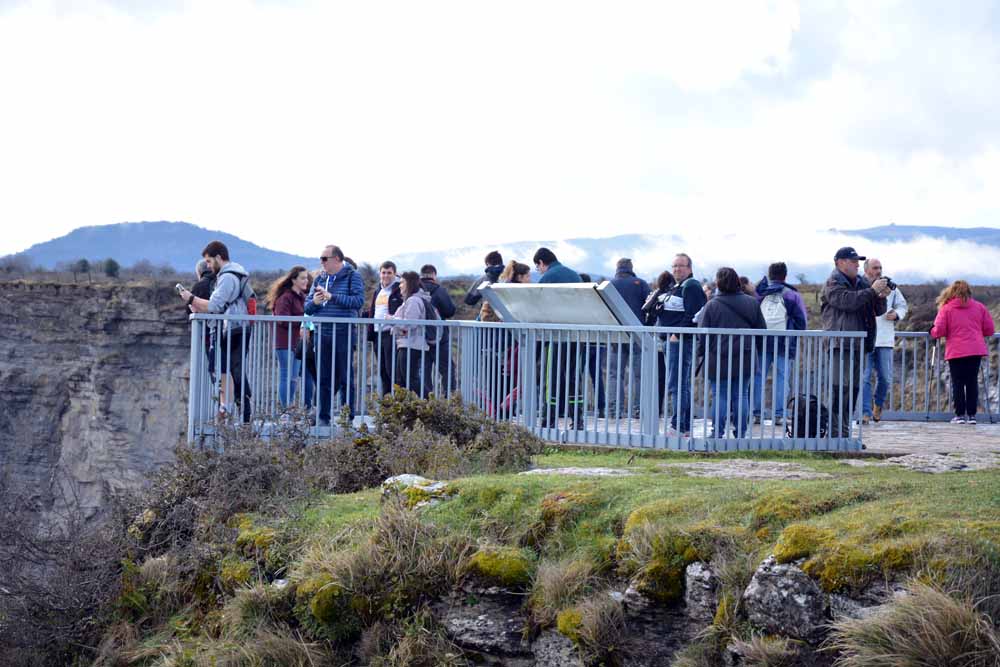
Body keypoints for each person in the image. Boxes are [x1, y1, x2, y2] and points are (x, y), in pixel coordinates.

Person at [178, 241, 255, 422]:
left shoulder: (228, 277)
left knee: (233, 368)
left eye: (210, 261)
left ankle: (244, 413)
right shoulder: (234, 273)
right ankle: (241, 411)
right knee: (233, 368)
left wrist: (191, 298)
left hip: (235, 327)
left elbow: (214, 305)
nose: (209, 266)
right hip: (238, 326)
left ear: (219, 257)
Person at [820, 247, 889, 438]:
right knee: (838, 388)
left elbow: (875, 310)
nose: (857, 265)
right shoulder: (833, 283)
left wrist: (880, 296)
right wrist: (871, 291)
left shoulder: (860, 282)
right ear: (840, 262)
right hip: (839, 344)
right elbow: (847, 301)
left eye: (857, 261)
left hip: (858, 344)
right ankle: (835, 434)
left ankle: (844, 432)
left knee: (852, 390)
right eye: (853, 261)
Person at [701, 267, 767, 438]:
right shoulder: (752, 303)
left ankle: (717, 432)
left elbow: (703, 335)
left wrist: (701, 352)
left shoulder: (712, 305)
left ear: (718, 283)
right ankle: (741, 433)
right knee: (742, 395)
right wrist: (755, 350)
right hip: (745, 356)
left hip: (718, 358)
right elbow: (761, 330)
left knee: (720, 395)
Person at [305, 245, 365, 426]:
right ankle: (323, 417)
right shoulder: (319, 278)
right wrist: (315, 302)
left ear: (337, 259)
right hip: (322, 333)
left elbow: (358, 301)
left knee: (346, 376)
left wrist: (332, 296)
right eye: (320, 258)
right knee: (323, 377)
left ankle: (347, 417)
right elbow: (307, 308)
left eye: (324, 258)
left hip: (343, 332)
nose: (321, 262)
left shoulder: (352, 276)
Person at [930, 280, 995, 424]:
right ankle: (972, 415)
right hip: (975, 350)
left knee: (957, 383)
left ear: (952, 292)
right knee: (972, 382)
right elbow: (990, 329)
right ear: (969, 292)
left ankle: (959, 415)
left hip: (956, 351)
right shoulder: (979, 307)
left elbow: (939, 330)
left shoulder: (946, 309)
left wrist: (932, 331)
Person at [752, 262, 808, 426]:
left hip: (761, 342)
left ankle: (756, 414)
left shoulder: (759, 293)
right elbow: (801, 321)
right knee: (782, 378)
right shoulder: (791, 295)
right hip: (783, 342)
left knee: (758, 377)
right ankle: (779, 414)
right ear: (785, 276)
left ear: (769, 275)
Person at [533, 248, 584, 427]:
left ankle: (549, 419)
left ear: (541, 262)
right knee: (573, 378)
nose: (538, 271)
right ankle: (577, 420)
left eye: (537, 267)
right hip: (577, 335)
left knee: (551, 379)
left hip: (555, 337)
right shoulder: (573, 274)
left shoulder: (548, 277)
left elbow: (536, 305)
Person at [656, 253, 707, 436]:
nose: (677, 269)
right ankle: (683, 426)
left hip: (679, 342)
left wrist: (677, 334)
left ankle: (678, 425)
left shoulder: (691, 285)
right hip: (672, 341)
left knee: (676, 384)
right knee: (680, 384)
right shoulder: (677, 286)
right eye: (674, 266)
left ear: (690, 268)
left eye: (681, 266)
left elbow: (694, 314)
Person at [860, 258, 906, 423]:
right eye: (875, 268)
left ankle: (877, 405)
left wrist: (897, 314)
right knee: (864, 378)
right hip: (865, 339)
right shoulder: (860, 285)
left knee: (885, 378)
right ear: (866, 270)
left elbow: (902, 306)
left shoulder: (891, 288)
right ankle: (865, 413)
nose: (878, 271)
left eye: (880, 267)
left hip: (885, 339)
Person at [267, 266, 314, 410]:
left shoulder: (302, 297)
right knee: (286, 376)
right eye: (302, 278)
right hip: (284, 343)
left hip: (296, 343)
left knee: (293, 378)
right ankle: (285, 410)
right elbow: (282, 319)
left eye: (307, 277)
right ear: (293, 280)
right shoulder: (286, 297)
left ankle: (289, 407)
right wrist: (302, 320)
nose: (306, 280)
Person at [609, 258, 651, 418]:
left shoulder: (610, 284)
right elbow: (650, 305)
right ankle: (638, 410)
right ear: (631, 268)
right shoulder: (640, 284)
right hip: (637, 334)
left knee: (615, 374)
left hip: (616, 336)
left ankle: (614, 411)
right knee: (638, 375)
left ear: (617, 268)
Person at [390, 271, 434, 397]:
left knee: (411, 379)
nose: (400, 285)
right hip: (407, 344)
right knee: (402, 380)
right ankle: (404, 411)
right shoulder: (411, 300)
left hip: (411, 345)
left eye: (402, 282)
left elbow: (410, 324)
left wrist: (392, 320)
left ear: (409, 284)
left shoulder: (414, 300)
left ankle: (431, 404)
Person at [365, 261, 403, 396]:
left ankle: (397, 403)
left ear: (395, 274)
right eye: (383, 272)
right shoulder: (378, 291)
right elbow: (374, 311)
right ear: (379, 274)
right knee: (382, 370)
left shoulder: (398, 290)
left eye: (389, 273)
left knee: (391, 369)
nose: (386, 275)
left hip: (391, 334)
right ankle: (387, 405)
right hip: (377, 335)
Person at [642, 271, 677, 414]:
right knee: (674, 378)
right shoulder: (672, 295)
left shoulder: (654, 295)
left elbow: (646, 313)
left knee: (657, 378)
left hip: (654, 341)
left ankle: (655, 409)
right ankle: (672, 410)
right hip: (670, 340)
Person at [420, 264, 457, 393]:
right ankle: (449, 401)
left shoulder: (415, 291)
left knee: (424, 371)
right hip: (439, 336)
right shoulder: (439, 290)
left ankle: (424, 403)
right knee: (447, 369)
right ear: (434, 275)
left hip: (420, 337)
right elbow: (450, 310)